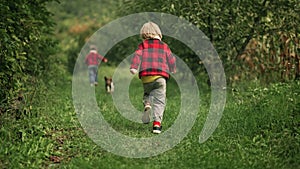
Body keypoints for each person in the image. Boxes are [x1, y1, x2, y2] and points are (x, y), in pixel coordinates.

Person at [130, 21, 176, 134]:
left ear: (144, 35)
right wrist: (173, 68)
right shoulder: (164, 46)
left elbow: (137, 56)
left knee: (147, 94)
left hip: (146, 77)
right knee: (160, 101)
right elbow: (171, 59)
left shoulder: (143, 45)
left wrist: (134, 68)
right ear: (158, 33)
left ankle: (147, 104)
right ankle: (156, 125)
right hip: (160, 77)